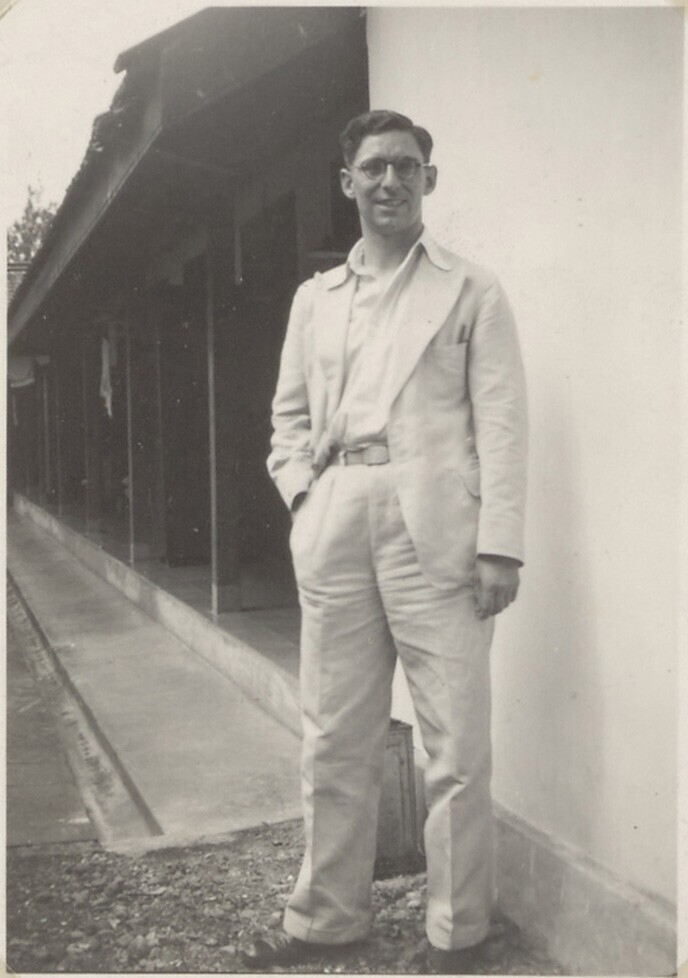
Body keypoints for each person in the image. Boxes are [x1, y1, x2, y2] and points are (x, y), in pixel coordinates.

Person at [244, 109, 527, 973]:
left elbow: (502, 424)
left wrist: (499, 545)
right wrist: (305, 498)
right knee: (333, 733)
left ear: (429, 180)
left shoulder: (472, 290)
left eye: (407, 166)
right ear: (348, 183)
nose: (391, 181)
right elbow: (288, 420)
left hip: (436, 528)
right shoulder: (315, 299)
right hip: (337, 518)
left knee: (456, 743)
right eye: (374, 168)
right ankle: (326, 919)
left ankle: (457, 934)